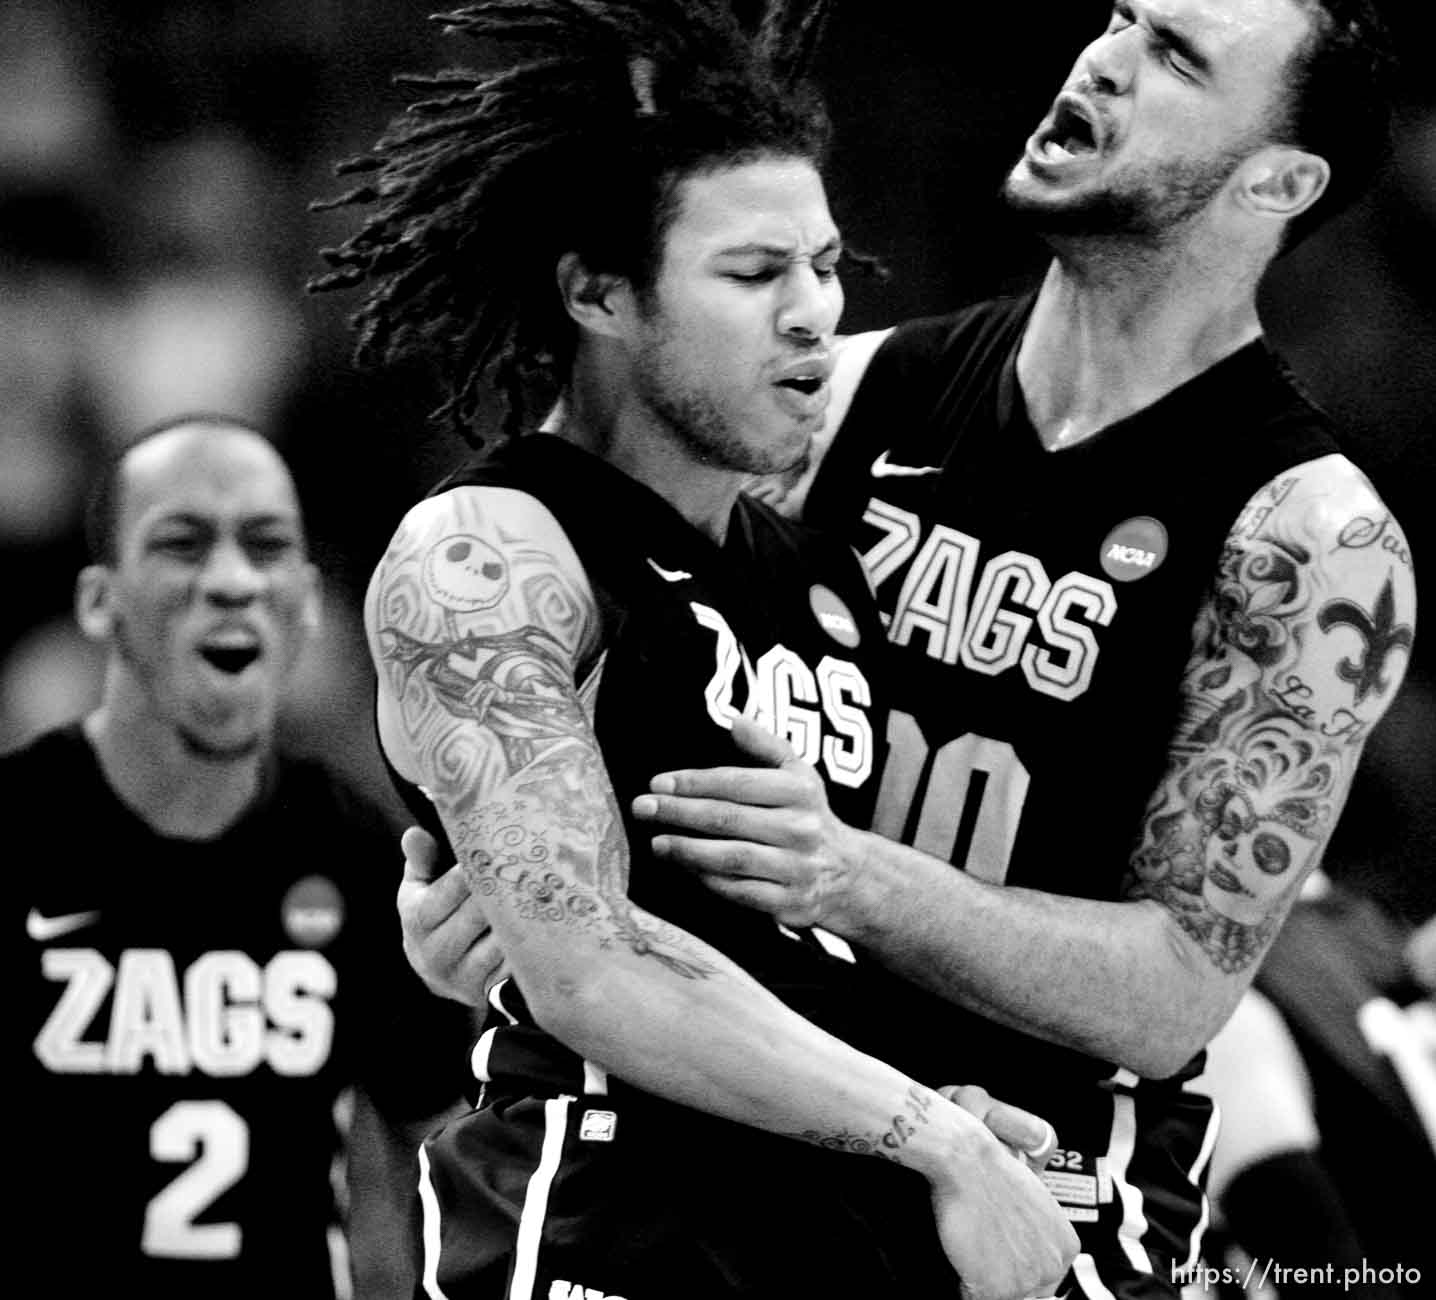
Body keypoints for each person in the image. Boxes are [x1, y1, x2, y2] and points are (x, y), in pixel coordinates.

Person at [401, 0, 1418, 1296]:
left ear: (1279, 179)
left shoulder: (1311, 540)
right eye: (1115, 19)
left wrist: (849, 877)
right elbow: (608, 758)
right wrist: (479, 907)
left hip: (1055, 1177)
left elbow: (1173, 997)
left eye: (1173, 57)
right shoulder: (832, 409)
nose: (1102, 59)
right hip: (764, 1127)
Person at [309, 2, 1077, 1298]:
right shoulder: (494, 553)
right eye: (753, 274)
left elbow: (774, 945)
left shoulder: (810, 571)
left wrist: (933, 1099)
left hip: (839, 1222)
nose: (812, 315)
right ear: (599, 291)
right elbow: (589, 965)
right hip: (616, 1221)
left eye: (827, 268)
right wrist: (931, 1130)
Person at [9, 415, 475, 1299]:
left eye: (263, 547)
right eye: (182, 545)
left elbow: (438, 1139)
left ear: (304, 603)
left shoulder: (355, 847)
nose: (230, 581)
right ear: (98, 601)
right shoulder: (19, 827)